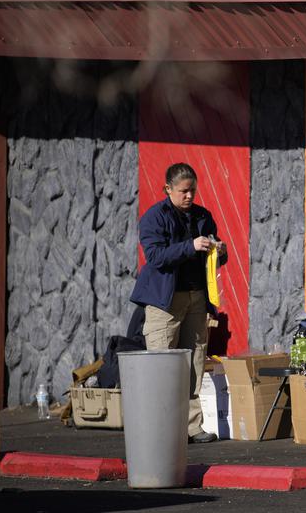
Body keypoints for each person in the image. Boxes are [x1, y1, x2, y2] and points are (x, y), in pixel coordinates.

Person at [129, 163, 227, 444]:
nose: (189, 196)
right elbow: (156, 257)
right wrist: (190, 246)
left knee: (194, 360)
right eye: (183, 191)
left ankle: (193, 426)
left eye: (192, 190)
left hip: (196, 297)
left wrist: (220, 250)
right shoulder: (153, 218)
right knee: (162, 364)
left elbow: (217, 256)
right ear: (167, 189)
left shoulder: (202, 216)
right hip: (164, 301)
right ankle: (161, 430)